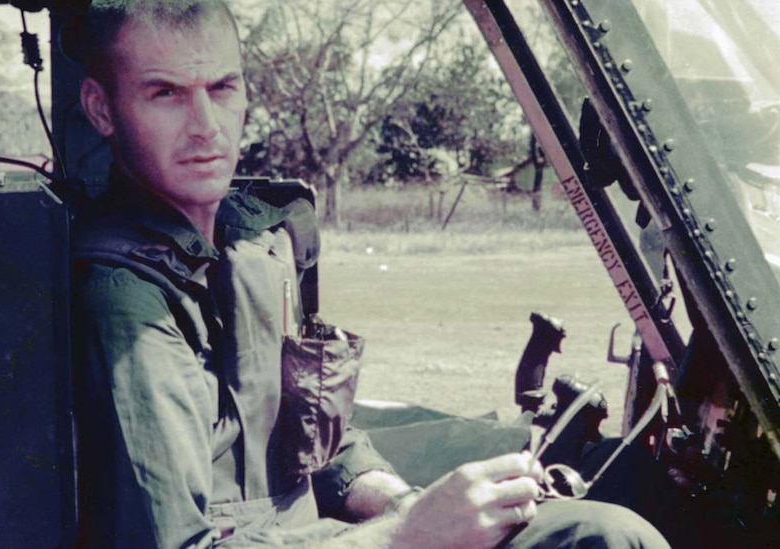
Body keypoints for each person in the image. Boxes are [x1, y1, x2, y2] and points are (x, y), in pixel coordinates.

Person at [69, 0, 671, 547]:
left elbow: (318, 444)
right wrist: (407, 533)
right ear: (102, 109)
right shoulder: (125, 297)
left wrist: (409, 502)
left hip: (327, 535)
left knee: (605, 533)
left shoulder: (252, 241)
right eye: (165, 94)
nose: (205, 125)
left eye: (223, 87)